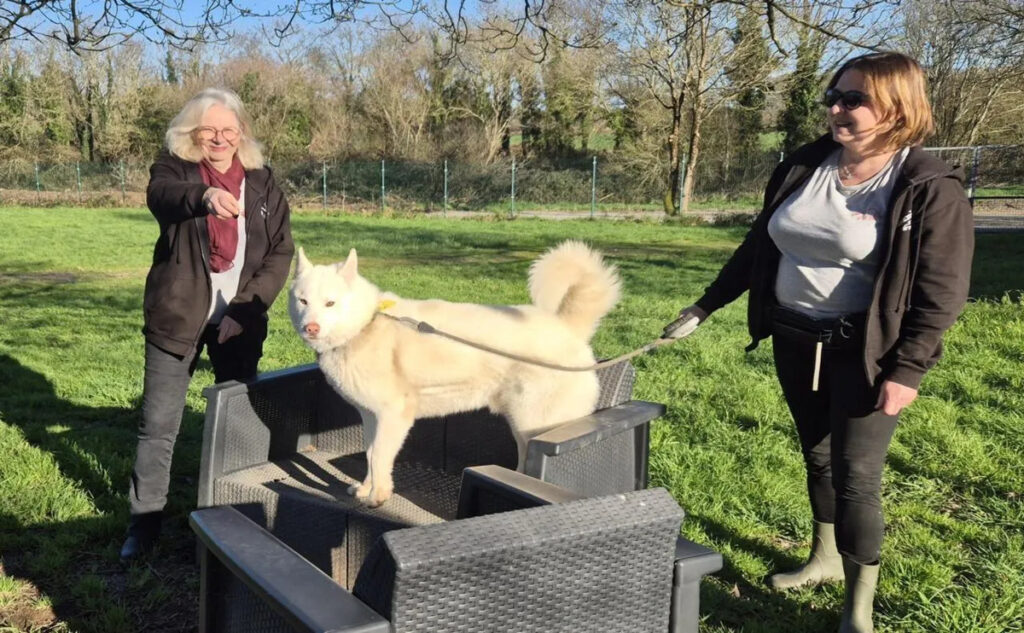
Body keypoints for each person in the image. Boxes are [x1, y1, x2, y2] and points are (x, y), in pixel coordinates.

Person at [664, 52, 973, 632]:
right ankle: (825, 559)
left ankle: (858, 612)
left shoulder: (926, 186)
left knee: (857, 475)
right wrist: (705, 306)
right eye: (833, 95)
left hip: (866, 353)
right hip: (794, 337)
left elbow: (943, 291)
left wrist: (908, 370)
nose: (835, 107)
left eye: (853, 99)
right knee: (818, 457)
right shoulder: (807, 166)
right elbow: (759, 246)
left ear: (897, 107)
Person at [121, 88, 294, 562]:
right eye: (208, 129)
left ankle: (236, 515)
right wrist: (206, 195)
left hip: (239, 317)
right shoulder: (174, 169)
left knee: (240, 422)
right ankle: (144, 521)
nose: (219, 138)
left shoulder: (261, 180)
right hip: (177, 312)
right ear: (192, 133)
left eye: (228, 129)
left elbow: (281, 250)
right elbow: (163, 198)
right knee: (158, 424)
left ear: (242, 132)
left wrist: (246, 309)